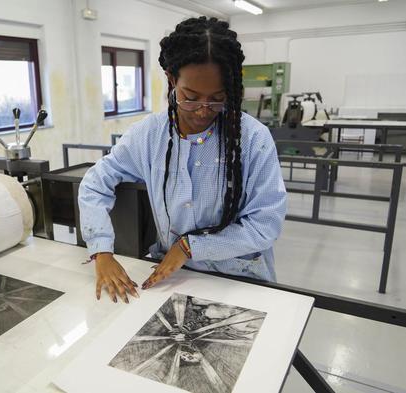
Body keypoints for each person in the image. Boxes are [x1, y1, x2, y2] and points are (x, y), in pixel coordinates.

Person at [78, 16, 287, 303]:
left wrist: (191, 247)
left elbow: (265, 224)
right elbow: (94, 183)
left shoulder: (253, 140)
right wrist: (102, 251)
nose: (203, 111)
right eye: (190, 98)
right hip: (174, 277)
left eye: (216, 99)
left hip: (240, 277)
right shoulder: (148, 136)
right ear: (171, 79)